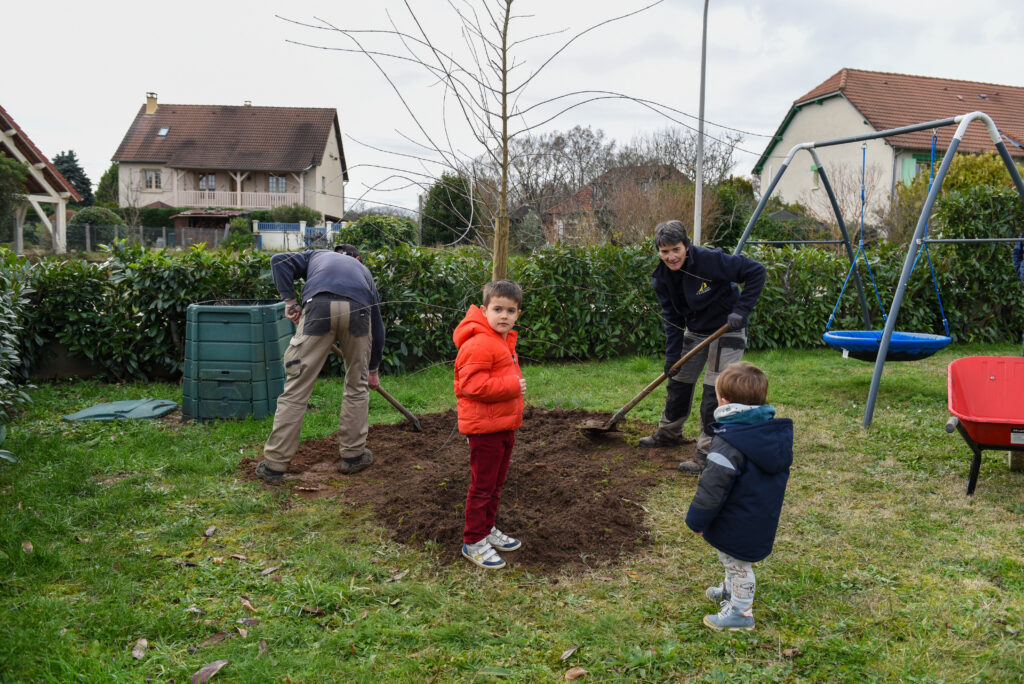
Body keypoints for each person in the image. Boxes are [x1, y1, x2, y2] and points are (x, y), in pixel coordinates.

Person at [639, 219, 767, 474]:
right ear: (658, 251)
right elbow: (672, 320)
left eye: (676, 249)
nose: (671, 257)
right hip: (696, 331)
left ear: (686, 245)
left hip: (727, 329)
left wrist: (741, 310)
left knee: (714, 389)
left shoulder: (710, 260)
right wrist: (672, 357)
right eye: (664, 251)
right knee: (678, 379)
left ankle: (708, 451)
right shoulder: (661, 278)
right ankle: (669, 433)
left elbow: (756, 271)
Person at [254, 244, 385, 484]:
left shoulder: (316, 255)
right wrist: (372, 370)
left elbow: (278, 261)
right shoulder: (364, 272)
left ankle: (274, 465)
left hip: (318, 306)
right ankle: (354, 456)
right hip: (358, 310)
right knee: (357, 387)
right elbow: (377, 326)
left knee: (296, 389)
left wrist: (290, 301)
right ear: (357, 258)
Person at [685, 362, 793, 632]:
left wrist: (697, 520)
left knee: (738, 565)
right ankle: (729, 589)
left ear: (724, 401)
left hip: (737, 519)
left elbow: (712, 487)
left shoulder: (730, 440)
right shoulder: (766, 433)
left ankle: (741, 613)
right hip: (757, 513)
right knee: (731, 558)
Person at [453, 279, 527, 570]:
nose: (504, 315)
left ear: (518, 314)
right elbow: (471, 385)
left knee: (495, 484)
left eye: (510, 310)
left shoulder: (500, 340)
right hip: (484, 430)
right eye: (498, 309)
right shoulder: (479, 343)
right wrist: (512, 387)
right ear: (484, 311)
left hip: (502, 426)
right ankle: (473, 541)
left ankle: (487, 529)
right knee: (482, 487)